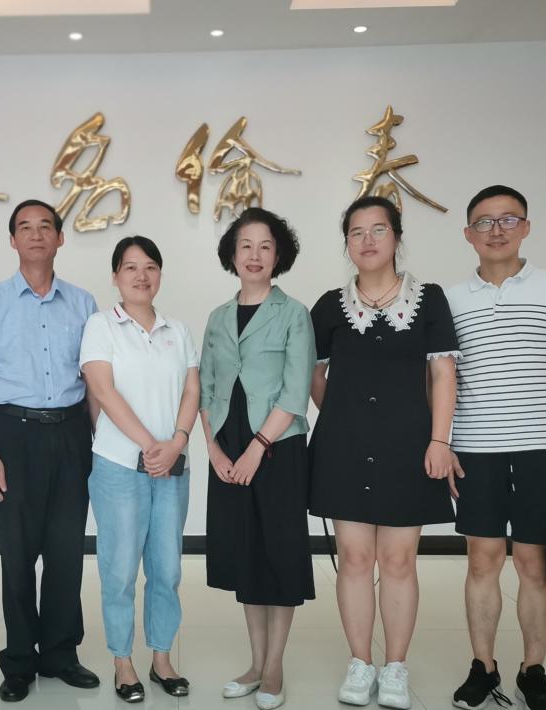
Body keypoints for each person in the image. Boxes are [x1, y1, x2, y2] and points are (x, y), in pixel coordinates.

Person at [308, 196, 460, 709]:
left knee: (398, 560)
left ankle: (395, 666)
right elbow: (314, 376)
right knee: (353, 558)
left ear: (396, 236)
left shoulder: (428, 299)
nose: (367, 240)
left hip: (409, 447)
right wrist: (344, 417)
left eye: (378, 229)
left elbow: (443, 373)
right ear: (346, 243)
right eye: (356, 232)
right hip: (344, 448)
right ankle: (360, 662)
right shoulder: (330, 306)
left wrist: (439, 440)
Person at [446, 185, 546, 710]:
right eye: (485, 222)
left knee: (534, 562)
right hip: (475, 448)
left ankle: (533, 670)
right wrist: (443, 444)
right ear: (468, 234)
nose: (497, 230)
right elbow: (441, 381)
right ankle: (483, 667)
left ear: (526, 227)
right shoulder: (451, 300)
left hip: (543, 448)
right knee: (481, 560)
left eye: (509, 219)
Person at [0, 200, 100, 703]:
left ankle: (60, 653)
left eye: (45, 227)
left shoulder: (83, 303)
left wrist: (98, 446)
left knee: (66, 553)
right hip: (13, 435)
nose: (36, 235)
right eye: (25, 227)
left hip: (71, 433)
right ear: (12, 240)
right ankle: (19, 659)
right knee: (17, 555)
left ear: (60, 238)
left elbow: (95, 382)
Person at [200, 207, 316, 710]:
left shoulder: (294, 314)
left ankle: (274, 667)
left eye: (265, 246)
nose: (254, 255)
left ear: (278, 255)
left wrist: (256, 448)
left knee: (279, 554)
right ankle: (254, 661)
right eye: (245, 245)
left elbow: (295, 391)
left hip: (277, 448)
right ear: (232, 254)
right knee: (246, 554)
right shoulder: (217, 317)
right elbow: (205, 389)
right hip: (227, 447)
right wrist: (212, 448)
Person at [80, 236, 200, 704]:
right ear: (115, 276)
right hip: (119, 469)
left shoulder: (177, 330)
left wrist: (177, 442)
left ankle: (161, 658)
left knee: (167, 569)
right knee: (120, 571)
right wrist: (152, 446)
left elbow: (191, 390)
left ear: (160, 275)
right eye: (130, 267)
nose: (141, 275)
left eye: (150, 266)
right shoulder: (100, 326)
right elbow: (103, 391)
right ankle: (122, 661)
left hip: (172, 468)